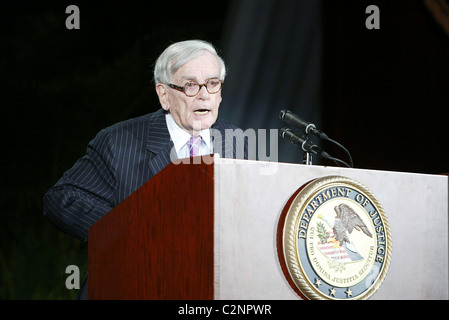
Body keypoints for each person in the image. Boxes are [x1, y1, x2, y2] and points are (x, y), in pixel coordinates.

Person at [43, 40, 248, 299]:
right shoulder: (120, 140)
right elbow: (60, 199)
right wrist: (131, 230)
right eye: (191, 85)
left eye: (213, 83)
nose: (204, 94)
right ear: (164, 95)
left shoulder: (236, 139)